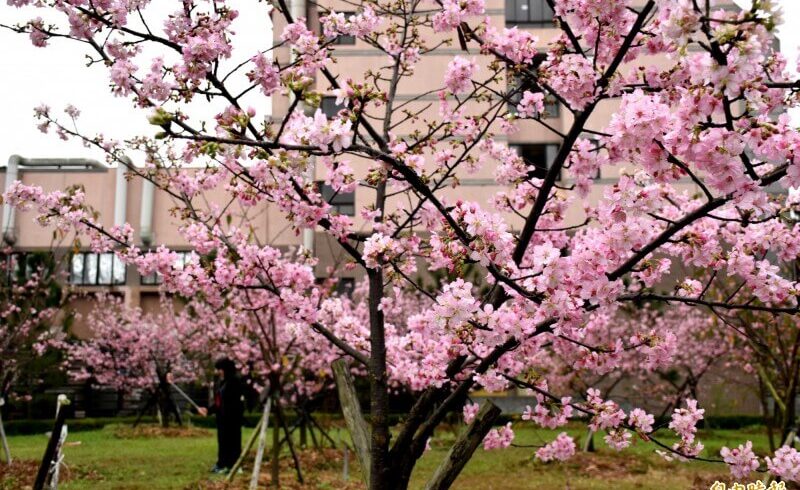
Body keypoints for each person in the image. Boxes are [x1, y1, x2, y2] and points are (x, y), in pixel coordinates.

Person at [198, 358, 245, 474]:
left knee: (233, 442)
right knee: (223, 442)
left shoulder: (235, 382)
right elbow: (219, 402)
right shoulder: (222, 384)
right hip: (222, 420)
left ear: (226, 369)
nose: (218, 372)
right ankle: (222, 463)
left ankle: (234, 465)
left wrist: (229, 414)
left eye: (220, 369)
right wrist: (208, 410)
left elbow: (236, 403)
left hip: (232, 420)